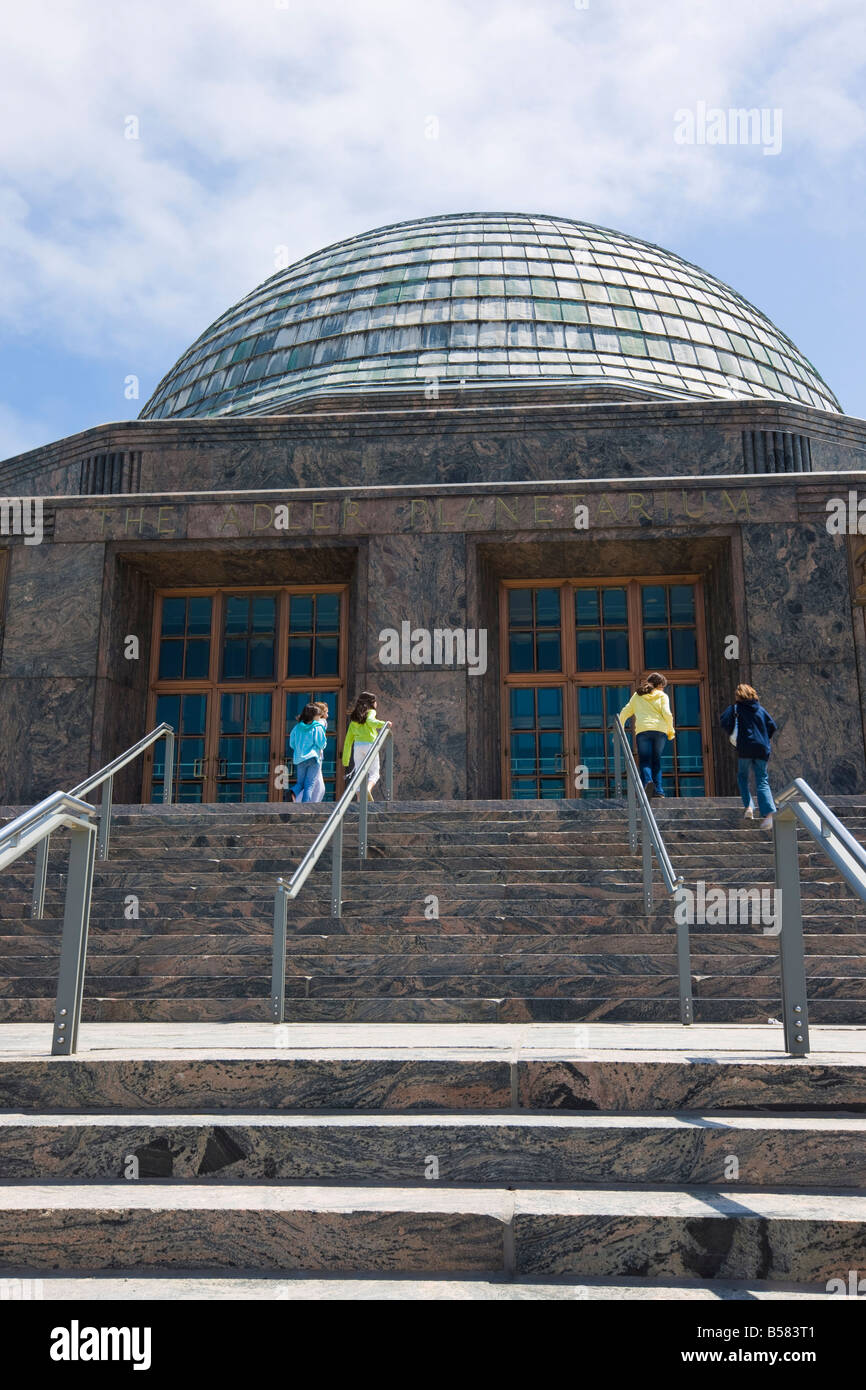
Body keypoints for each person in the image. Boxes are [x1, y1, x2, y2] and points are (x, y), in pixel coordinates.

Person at [720, 684, 778, 829]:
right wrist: (763, 737)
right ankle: (769, 813)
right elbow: (773, 726)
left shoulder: (735, 709)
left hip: (745, 747)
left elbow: (724, 722)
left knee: (742, 777)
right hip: (761, 748)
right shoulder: (760, 709)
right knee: (762, 779)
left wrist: (734, 733)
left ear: (738, 695)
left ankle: (749, 807)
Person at [619, 673, 676, 798]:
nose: (663, 689)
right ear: (659, 685)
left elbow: (625, 712)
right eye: (663, 686)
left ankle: (647, 784)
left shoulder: (637, 696)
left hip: (643, 731)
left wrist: (621, 727)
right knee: (656, 760)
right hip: (660, 731)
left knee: (645, 761)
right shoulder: (662, 696)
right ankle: (659, 791)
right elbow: (667, 714)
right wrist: (670, 730)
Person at [342, 691, 389, 801]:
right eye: (375, 701)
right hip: (369, 745)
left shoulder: (354, 717)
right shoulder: (370, 712)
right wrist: (385, 724)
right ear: (372, 703)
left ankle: (359, 799)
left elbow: (348, 740)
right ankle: (368, 789)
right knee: (374, 773)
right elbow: (371, 722)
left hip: (358, 747)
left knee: (359, 774)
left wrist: (345, 760)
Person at [288, 702, 328, 802]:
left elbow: (292, 743)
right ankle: (306, 807)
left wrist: (299, 749)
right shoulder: (317, 727)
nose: (319, 718)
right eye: (318, 716)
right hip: (313, 759)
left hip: (300, 759)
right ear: (313, 716)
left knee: (300, 783)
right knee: (309, 784)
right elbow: (321, 744)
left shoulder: (297, 727)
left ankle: (293, 792)